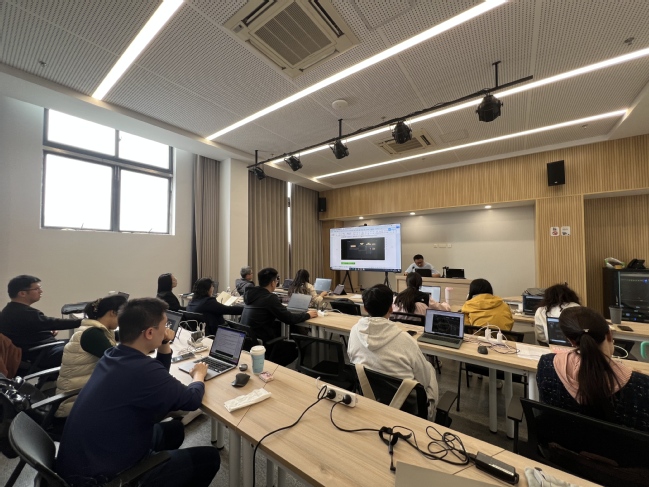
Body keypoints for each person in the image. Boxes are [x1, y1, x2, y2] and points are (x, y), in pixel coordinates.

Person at [56, 298, 219, 487]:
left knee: (174, 430)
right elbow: (191, 400)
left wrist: (164, 342)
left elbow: (157, 374)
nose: (166, 330)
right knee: (210, 458)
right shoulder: (142, 369)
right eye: (164, 326)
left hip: (87, 457)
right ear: (149, 332)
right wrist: (198, 375)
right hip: (102, 478)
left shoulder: (113, 355)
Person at [537, 307, 649, 431]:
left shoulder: (546, 365)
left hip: (560, 442)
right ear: (609, 334)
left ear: (571, 341)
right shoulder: (642, 385)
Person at [348, 284, 439, 420]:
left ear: (365, 308)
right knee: (430, 369)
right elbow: (424, 381)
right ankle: (431, 420)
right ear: (391, 308)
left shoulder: (354, 331)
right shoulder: (406, 340)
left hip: (370, 398)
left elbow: (352, 359)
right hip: (408, 409)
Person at [55, 294, 127, 418]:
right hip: (73, 406)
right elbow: (119, 361)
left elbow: (122, 337)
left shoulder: (95, 329)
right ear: (112, 313)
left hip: (83, 396)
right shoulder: (92, 334)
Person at [0, 275, 81, 369]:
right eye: (36, 289)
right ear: (22, 293)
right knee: (88, 347)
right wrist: (83, 321)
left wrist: (47, 331)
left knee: (83, 342)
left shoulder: (10, 310)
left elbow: (37, 326)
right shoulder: (24, 313)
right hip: (43, 354)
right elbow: (53, 322)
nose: (40, 291)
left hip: (40, 351)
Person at [241, 267, 317, 365]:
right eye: (276, 280)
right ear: (273, 283)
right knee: (296, 347)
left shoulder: (251, 295)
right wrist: (307, 315)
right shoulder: (269, 298)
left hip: (249, 344)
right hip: (263, 347)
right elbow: (289, 319)